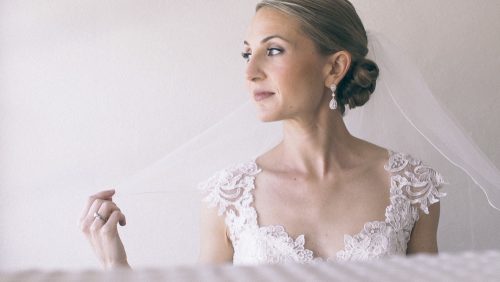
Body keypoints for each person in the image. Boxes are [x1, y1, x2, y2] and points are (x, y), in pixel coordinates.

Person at [79, 0, 446, 269]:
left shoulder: (411, 186)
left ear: (334, 67)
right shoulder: (229, 197)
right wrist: (117, 266)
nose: (251, 71)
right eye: (246, 54)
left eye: (272, 50)